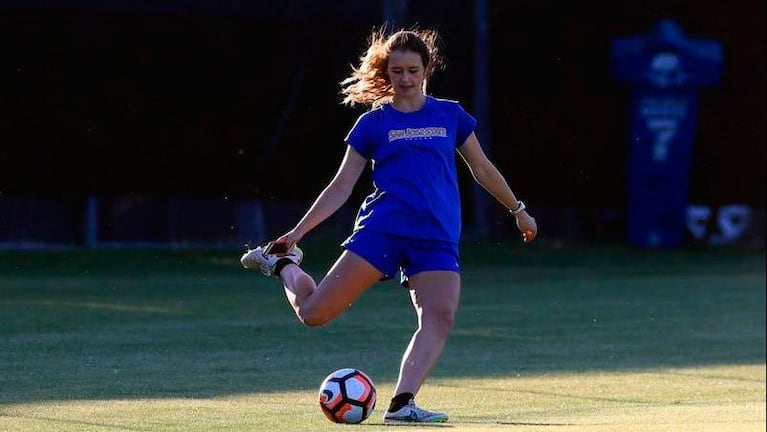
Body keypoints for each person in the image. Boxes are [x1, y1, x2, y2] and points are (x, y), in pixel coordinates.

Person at [241, 26, 537, 424]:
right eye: (396, 71)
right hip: (383, 231)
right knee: (314, 314)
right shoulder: (372, 124)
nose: (405, 79)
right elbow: (341, 186)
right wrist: (297, 233)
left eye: (413, 70)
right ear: (387, 72)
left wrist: (517, 209)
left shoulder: (450, 115)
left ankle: (402, 404)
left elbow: (482, 169)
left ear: (426, 69)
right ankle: (283, 265)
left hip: (435, 236)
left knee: (441, 315)